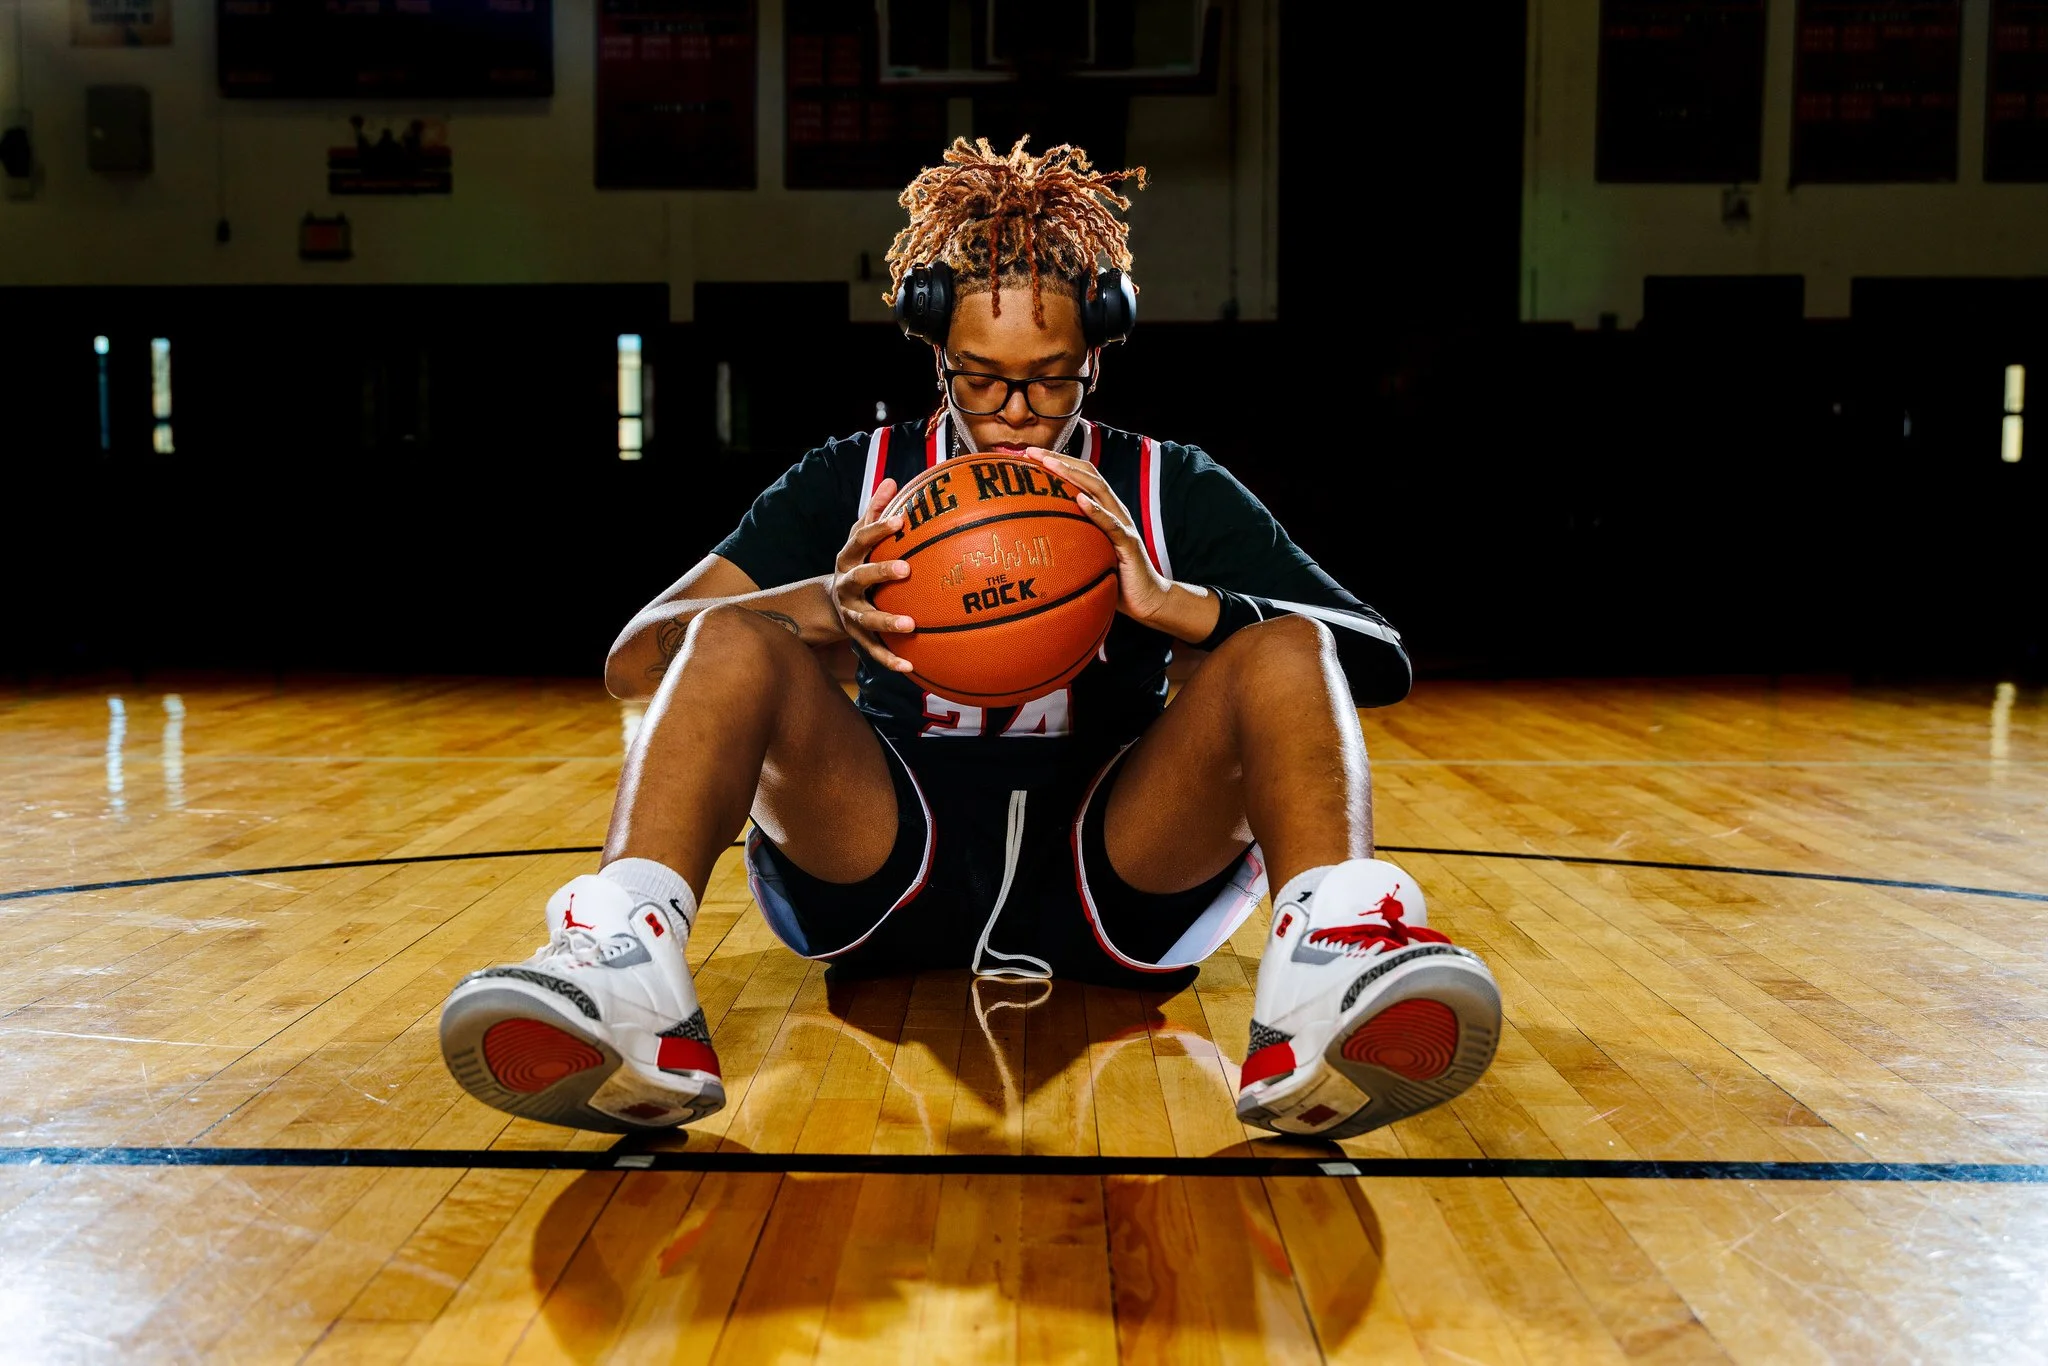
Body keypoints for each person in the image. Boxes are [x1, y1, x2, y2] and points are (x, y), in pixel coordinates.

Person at [437, 137, 1502, 1140]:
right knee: (730, 635)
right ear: (932, 347)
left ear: (1098, 354)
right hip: (884, 855)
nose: (1014, 408)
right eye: (978, 376)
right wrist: (824, 601)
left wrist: (1176, 604)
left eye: (1050, 376)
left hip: (1118, 864)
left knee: (1284, 647)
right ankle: (619, 977)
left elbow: (1374, 655)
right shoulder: (853, 476)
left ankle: (1323, 982)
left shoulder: (1166, 484)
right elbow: (636, 656)